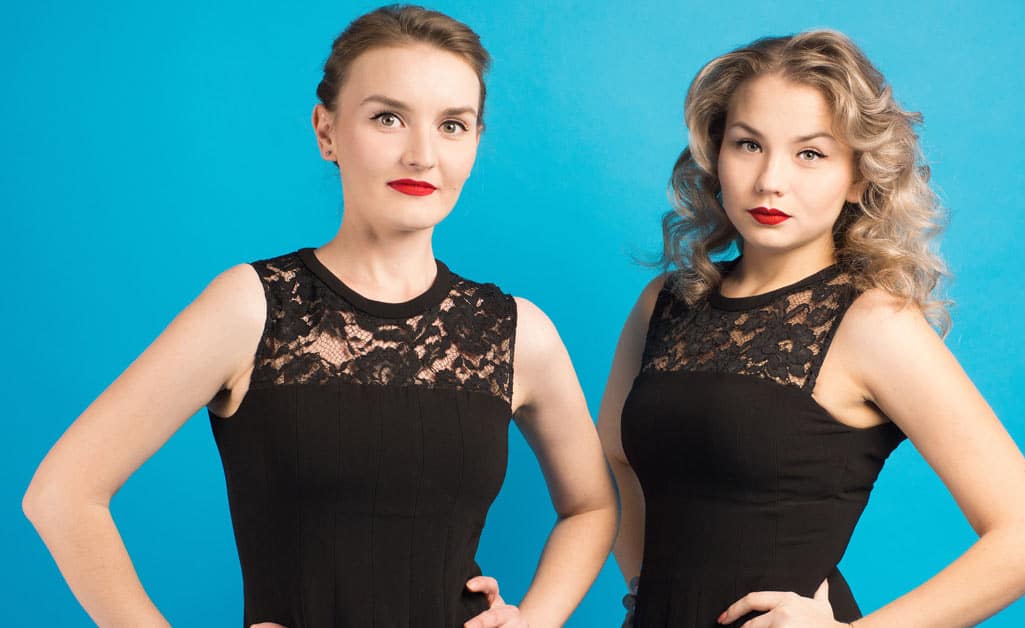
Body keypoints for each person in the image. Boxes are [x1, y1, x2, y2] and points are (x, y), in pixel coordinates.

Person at [22, 5, 616, 627]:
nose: (422, 154)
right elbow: (63, 494)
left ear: (475, 143)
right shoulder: (251, 306)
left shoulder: (515, 331)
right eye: (388, 118)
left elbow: (593, 507)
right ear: (326, 131)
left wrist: (534, 620)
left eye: (452, 125)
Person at [598, 30, 1025, 627]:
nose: (771, 179)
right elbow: (614, 461)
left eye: (810, 153)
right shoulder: (665, 302)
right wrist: (649, 593)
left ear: (857, 177)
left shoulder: (874, 323)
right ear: (716, 156)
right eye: (748, 145)